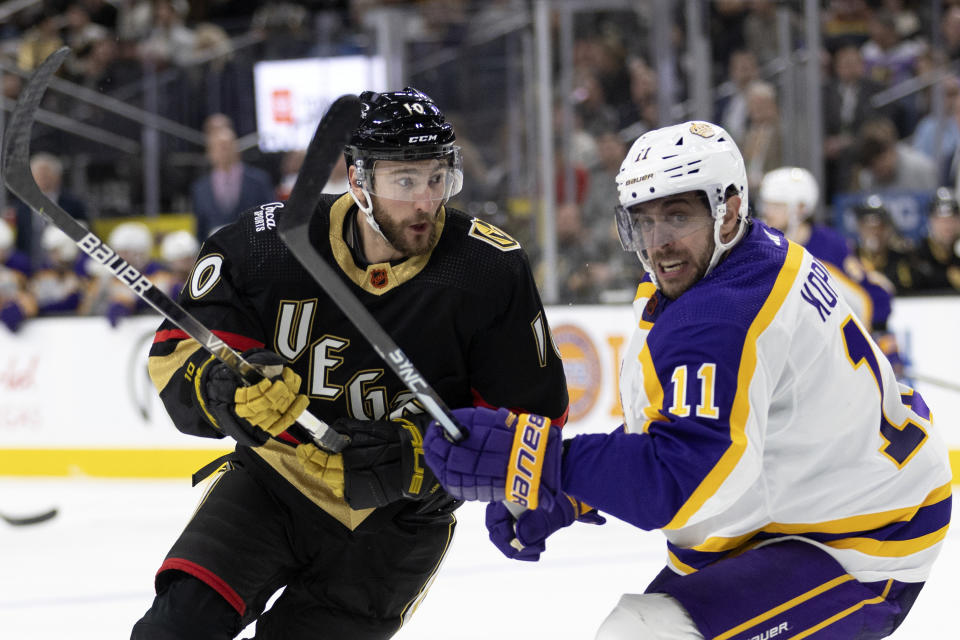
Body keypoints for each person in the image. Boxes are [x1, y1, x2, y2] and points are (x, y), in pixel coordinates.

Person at [421, 121, 952, 640]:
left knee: (645, 632)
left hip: (863, 543)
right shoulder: (742, 260)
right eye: (644, 221)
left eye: (677, 215)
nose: (659, 243)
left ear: (730, 210)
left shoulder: (723, 314)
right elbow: (685, 439)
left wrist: (535, 459)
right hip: (805, 512)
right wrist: (573, 492)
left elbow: (681, 482)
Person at [131, 87, 569, 639]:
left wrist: (420, 459)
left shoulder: (486, 271)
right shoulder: (266, 247)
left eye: (437, 178)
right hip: (273, 485)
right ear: (360, 183)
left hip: (398, 525)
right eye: (404, 181)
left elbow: (534, 424)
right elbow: (178, 355)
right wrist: (226, 388)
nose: (425, 202)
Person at [758, 165, 906, 377]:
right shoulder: (761, 245)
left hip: (828, 360)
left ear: (800, 208)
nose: (767, 212)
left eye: (777, 205)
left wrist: (882, 339)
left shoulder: (829, 246)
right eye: (767, 204)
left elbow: (873, 297)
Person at [190, 125, 276, 240]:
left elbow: (271, 217)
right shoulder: (200, 188)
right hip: (217, 251)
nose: (223, 151)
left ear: (236, 148)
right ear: (209, 152)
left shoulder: (259, 181)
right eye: (218, 147)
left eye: (226, 146)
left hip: (254, 246)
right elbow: (200, 228)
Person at [910, 186, 960, 293]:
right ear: (930, 221)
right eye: (941, 220)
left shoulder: (957, 252)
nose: (947, 226)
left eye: (952, 219)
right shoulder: (917, 254)